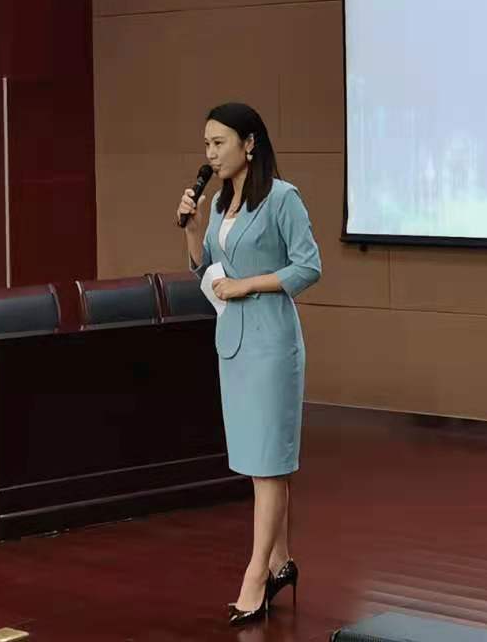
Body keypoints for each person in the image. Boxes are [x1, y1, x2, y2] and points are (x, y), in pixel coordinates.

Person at [177, 101, 322, 625]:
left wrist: (248, 285)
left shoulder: (282, 198)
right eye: (207, 145)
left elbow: (308, 267)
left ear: (250, 143)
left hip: (272, 345)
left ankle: (255, 575)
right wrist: (193, 229)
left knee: (269, 465)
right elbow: (208, 272)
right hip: (233, 344)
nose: (211, 154)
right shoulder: (220, 203)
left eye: (220, 143)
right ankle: (281, 562)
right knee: (259, 464)